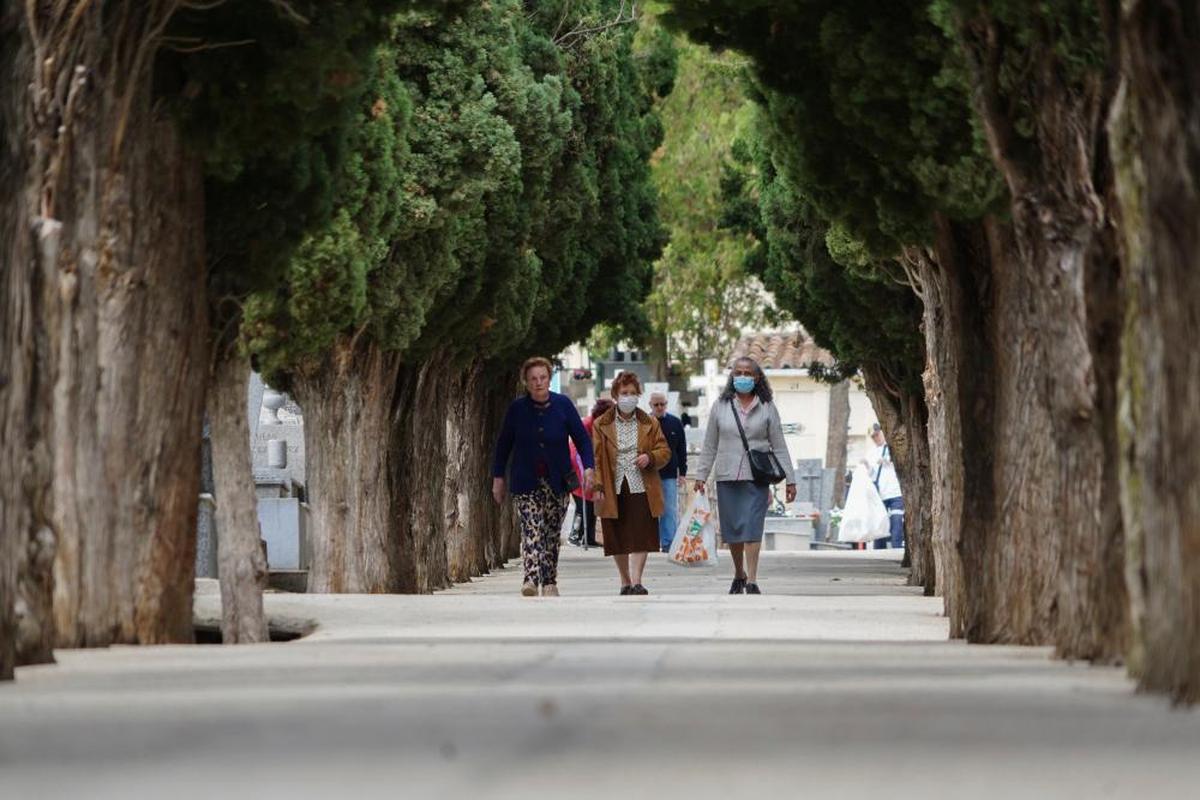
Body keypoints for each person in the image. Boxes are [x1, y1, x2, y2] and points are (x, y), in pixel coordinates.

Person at [693, 357, 796, 594]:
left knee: (752, 527)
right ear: (732, 377)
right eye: (738, 372)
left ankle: (753, 580)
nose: (742, 376)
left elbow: (779, 445)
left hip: (757, 476)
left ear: (757, 377)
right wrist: (701, 475)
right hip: (727, 475)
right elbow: (710, 444)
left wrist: (791, 479)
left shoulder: (767, 406)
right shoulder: (720, 406)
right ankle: (739, 573)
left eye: (747, 373)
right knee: (734, 531)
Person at [492, 357, 594, 597]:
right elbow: (503, 445)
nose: (538, 383)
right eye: (533, 379)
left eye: (543, 378)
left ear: (549, 379)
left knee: (550, 533)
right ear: (526, 383)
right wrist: (498, 477)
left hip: (557, 481)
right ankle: (530, 578)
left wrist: (589, 467)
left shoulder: (563, 405)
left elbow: (582, 439)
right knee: (532, 528)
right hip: (526, 481)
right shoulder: (517, 409)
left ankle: (549, 581)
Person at [591, 373, 671, 595]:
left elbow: (664, 451)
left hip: (642, 484)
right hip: (613, 484)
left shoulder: (650, 422)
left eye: (633, 393)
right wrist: (597, 486)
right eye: (624, 393)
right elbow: (596, 457)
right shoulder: (601, 424)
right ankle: (624, 580)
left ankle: (637, 581)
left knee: (641, 534)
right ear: (616, 395)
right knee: (617, 535)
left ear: (639, 395)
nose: (629, 397)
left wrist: (650, 457)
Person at [567, 398, 613, 548]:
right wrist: (585, 474)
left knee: (592, 505)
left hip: (588, 466)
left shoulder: (600, 426)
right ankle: (575, 535)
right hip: (578, 467)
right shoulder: (587, 424)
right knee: (582, 505)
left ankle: (589, 537)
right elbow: (577, 451)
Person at [649, 392, 688, 553]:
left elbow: (681, 449)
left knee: (669, 509)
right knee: (649, 510)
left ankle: (668, 543)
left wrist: (683, 472)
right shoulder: (645, 423)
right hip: (648, 473)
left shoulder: (675, 423)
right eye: (656, 405)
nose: (659, 407)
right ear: (650, 405)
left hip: (669, 473)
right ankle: (650, 542)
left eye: (662, 404)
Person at [867, 423, 904, 549]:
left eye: (877, 435)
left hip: (895, 492)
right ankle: (879, 552)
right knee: (880, 524)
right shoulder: (872, 453)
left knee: (896, 521)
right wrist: (867, 466)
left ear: (882, 432)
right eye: (873, 437)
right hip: (880, 494)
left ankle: (897, 549)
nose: (876, 438)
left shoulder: (893, 447)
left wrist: (888, 460)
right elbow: (873, 475)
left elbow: (901, 461)